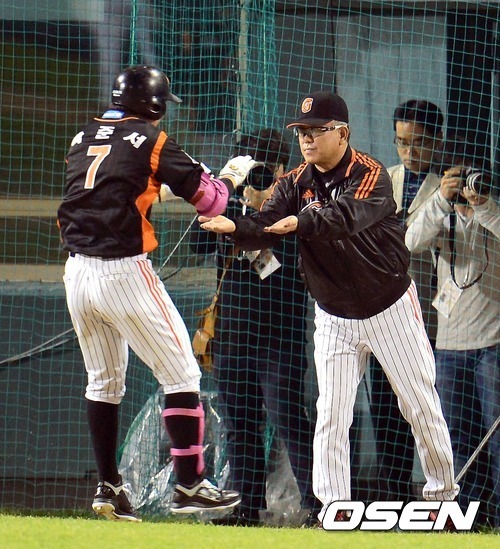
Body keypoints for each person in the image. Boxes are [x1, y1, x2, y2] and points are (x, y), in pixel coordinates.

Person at [198, 91, 459, 527]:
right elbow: (264, 223)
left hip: (388, 307)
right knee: (331, 415)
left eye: (317, 130)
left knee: (419, 405)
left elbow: (344, 218)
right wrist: (235, 225)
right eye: (302, 131)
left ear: (342, 133)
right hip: (335, 315)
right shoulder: (292, 182)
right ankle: (332, 508)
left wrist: (299, 221)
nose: (307, 138)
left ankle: (442, 499)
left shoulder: (371, 173)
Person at [57, 65, 261, 521]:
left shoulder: (83, 136)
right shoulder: (151, 139)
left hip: (77, 273)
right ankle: (190, 484)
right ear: (151, 104)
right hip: (124, 272)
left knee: (103, 382)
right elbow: (213, 202)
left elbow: (113, 189)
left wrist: (162, 188)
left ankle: (109, 486)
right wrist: (230, 177)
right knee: (182, 374)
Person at [190, 128, 320, 526]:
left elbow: (301, 261)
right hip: (232, 335)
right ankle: (246, 508)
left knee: (289, 420)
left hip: (280, 336)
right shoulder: (229, 207)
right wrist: (221, 193)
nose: (256, 181)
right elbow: (197, 244)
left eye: (264, 170)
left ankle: (318, 506)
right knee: (239, 425)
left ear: (282, 170)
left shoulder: (298, 205)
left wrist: (266, 209)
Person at [405, 156, 499, 528]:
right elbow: (411, 241)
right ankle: (468, 515)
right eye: (457, 180)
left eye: (471, 179)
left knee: (496, 439)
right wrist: (441, 199)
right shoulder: (441, 215)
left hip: (493, 343)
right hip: (448, 346)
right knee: (455, 438)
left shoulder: (492, 213)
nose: (465, 188)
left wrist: (483, 204)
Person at [370, 100, 445, 504]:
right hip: (380, 318)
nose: (409, 151)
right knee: (387, 416)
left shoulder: (448, 186)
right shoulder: (381, 180)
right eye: (401, 142)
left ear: (437, 141)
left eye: (418, 142)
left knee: (429, 414)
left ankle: (444, 495)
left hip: (429, 321)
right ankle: (394, 499)